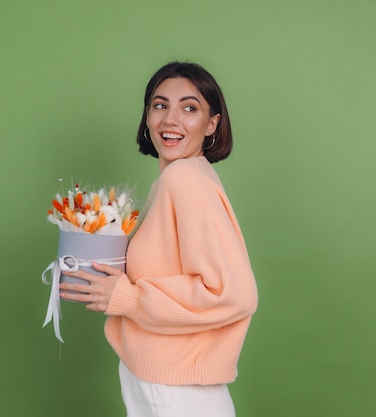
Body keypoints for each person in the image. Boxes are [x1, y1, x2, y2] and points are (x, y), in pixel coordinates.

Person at [59, 61, 258, 417]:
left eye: (190, 108)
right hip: (163, 380)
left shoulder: (185, 180)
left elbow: (232, 293)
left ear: (212, 123)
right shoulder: (172, 181)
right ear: (147, 115)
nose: (170, 120)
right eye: (160, 105)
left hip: (176, 389)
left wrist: (128, 298)